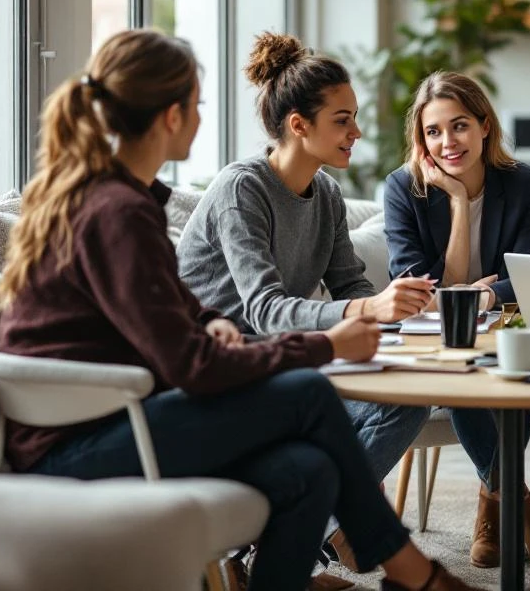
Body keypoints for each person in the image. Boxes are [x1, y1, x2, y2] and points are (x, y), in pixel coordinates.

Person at [0, 29, 484, 591]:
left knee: (311, 471)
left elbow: (176, 310)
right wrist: (325, 342)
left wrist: (212, 326)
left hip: (127, 415)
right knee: (309, 395)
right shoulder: (117, 211)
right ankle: (413, 573)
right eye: (198, 105)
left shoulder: (126, 203)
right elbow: (193, 366)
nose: (202, 119)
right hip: (76, 443)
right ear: (172, 115)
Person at [176, 34, 431, 526]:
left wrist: (399, 307)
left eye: (354, 117)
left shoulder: (328, 196)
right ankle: (310, 538)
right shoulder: (242, 188)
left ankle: (319, 532)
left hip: (286, 361)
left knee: (408, 402)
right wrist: (365, 311)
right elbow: (265, 311)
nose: (356, 131)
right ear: (297, 125)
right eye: (342, 119)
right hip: (223, 370)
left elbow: (350, 285)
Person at [382, 71, 530, 571]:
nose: (447, 142)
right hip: (433, 341)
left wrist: (485, 298)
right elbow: (424, 290)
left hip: (504, 324)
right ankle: (520, 507)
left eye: (459, 126)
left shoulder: (521, 181)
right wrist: (459, 203)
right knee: (461, 371)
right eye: (433, 132)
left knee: (516, 366)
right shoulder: (404, 189)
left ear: (485, 126)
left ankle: (492, 501)